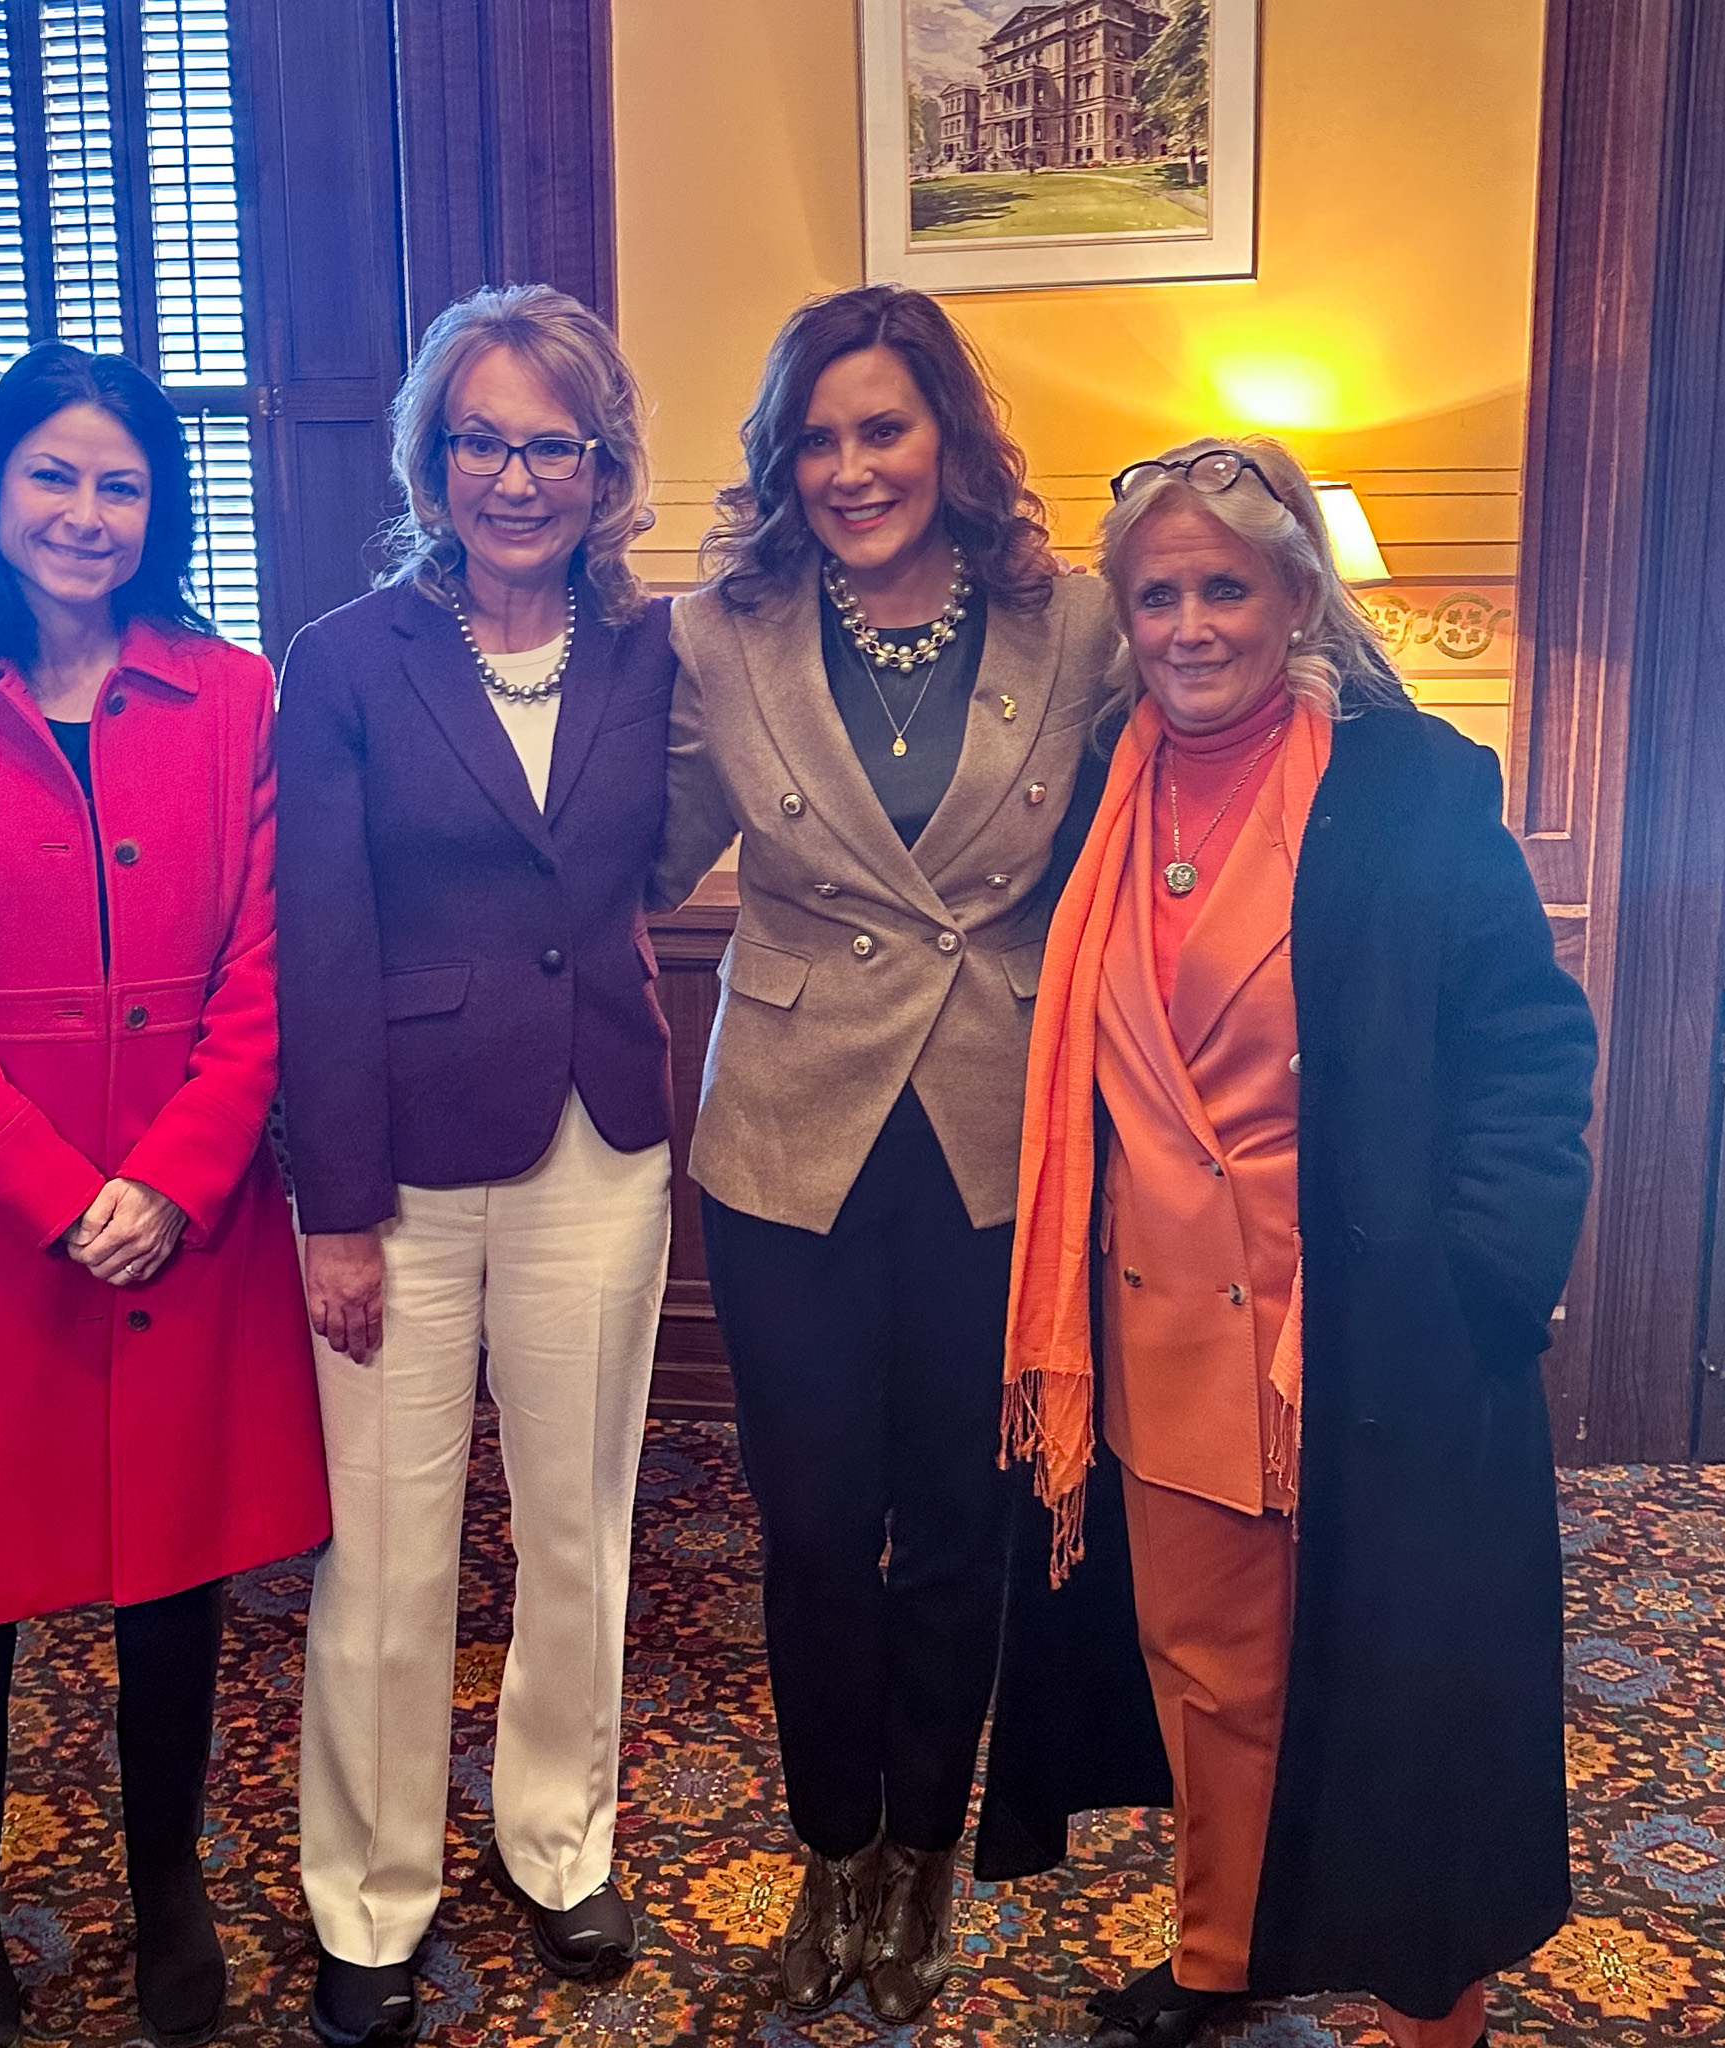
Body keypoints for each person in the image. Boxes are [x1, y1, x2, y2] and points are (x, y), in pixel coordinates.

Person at [981, 436, 1597, 2048]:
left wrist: (1484, 1281)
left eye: (1225, 589)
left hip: (1376, 1340)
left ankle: (1427, 2001)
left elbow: (1529, 1051)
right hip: (1160, 1332)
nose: (1191, 625)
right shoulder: (1099, 801)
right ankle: (1222, 1956)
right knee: (1208, 1674)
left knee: (1401, 1682)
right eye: (1160, 594)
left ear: (1297, 594)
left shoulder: (1413, 789)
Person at [0, 342, 332, 2048]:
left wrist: (176, 1177)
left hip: (183, 1208)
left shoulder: (232, 690)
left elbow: (266, 962)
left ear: (158, 502)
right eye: (52, 475)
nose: (86, 513)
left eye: (120, 481)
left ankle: (164, 1882)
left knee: (169, 1575)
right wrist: (57, 1190)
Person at [648, 283, 1118, 2024]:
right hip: (788, 1141)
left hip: (996, 1136)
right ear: (785, 464)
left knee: (961, 1525)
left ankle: (927, 1856)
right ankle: (831, 1845)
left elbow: (1187, 769)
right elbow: (634, 845)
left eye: (885, 429)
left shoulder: (1072, 625)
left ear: (949, 438)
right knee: (814, 1519)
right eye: (819, 439)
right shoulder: (716, 636)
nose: (853, 468)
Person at [276, 284, 675, 2048]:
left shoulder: (658, 652)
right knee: (389, 1545)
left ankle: (558, 1836)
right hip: (406, 1166)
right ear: (433, 460)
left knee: (581, 1520)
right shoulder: (347, 658)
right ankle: (368, 1896)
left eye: (554, 445)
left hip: (602, 1137)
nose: (518, 477)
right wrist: (335, 1213)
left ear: (605, 466)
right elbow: (319, 947)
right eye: (484, 442)